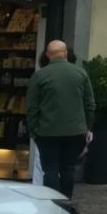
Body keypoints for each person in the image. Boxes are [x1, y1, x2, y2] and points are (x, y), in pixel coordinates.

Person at [25, 40, 95, 198]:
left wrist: (34, 130)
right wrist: (87, 127)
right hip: (75, 131)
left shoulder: (40, 75)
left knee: (50, 170)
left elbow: (32, 108)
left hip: (47, 131)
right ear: (66, 54)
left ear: (48, 55)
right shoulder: (80, 73)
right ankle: (66, 201)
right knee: (68, 169)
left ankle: (52, 201)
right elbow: (90, 105)